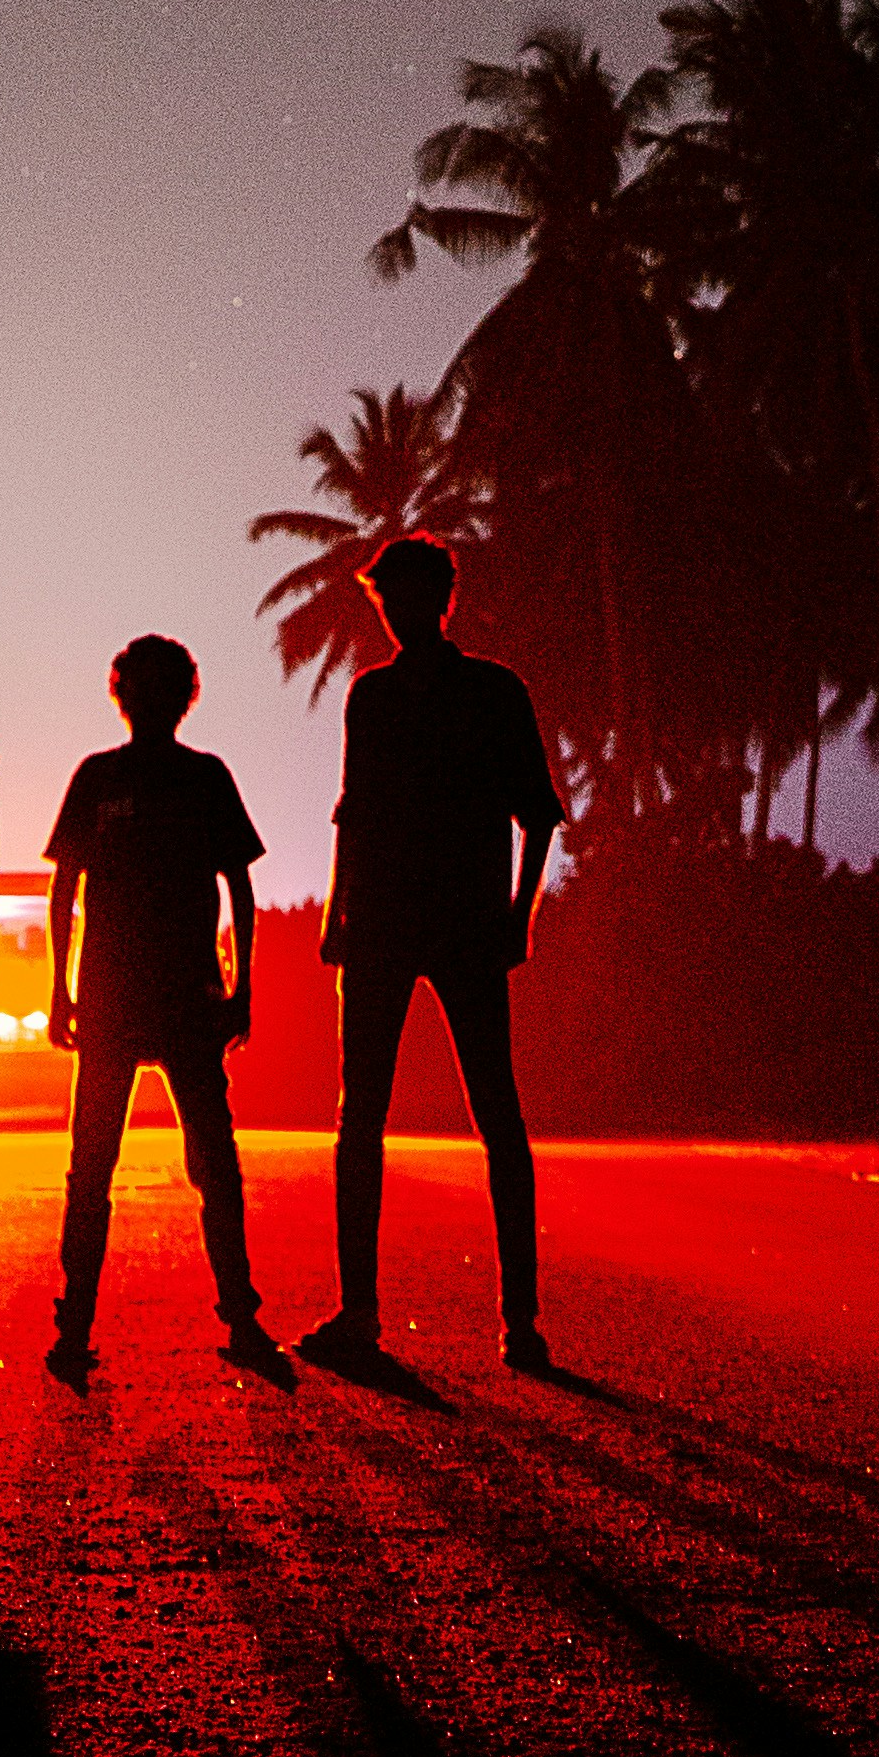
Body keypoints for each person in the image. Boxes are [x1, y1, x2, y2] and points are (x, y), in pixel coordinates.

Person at [297, 533, 563, 1380]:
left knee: (496, 1116)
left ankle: (519, 1321)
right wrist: (338, 913)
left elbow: (539, 813)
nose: (398, 613)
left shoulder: (492, 690)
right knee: (359, 1119)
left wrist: (518, 917)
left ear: (440, 599)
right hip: (380, 922)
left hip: (462, 922)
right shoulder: (368, 697)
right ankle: (359, 1311)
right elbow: (354, 811)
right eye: (387, 600)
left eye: (411, 598)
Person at [41, 634, 291, 1390]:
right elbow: (64, 889)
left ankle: (238, 1311)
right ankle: (77, 1319)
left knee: (209, 1159)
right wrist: (59, 986)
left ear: (181, 697)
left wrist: (242, 983)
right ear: (124, 695)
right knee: (95, 1164)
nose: (149, 701)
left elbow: (238, 887)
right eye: (139, 687)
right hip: (115, 992)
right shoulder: (97, 776)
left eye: (163, 688)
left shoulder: (204, 777)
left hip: (185, 991)